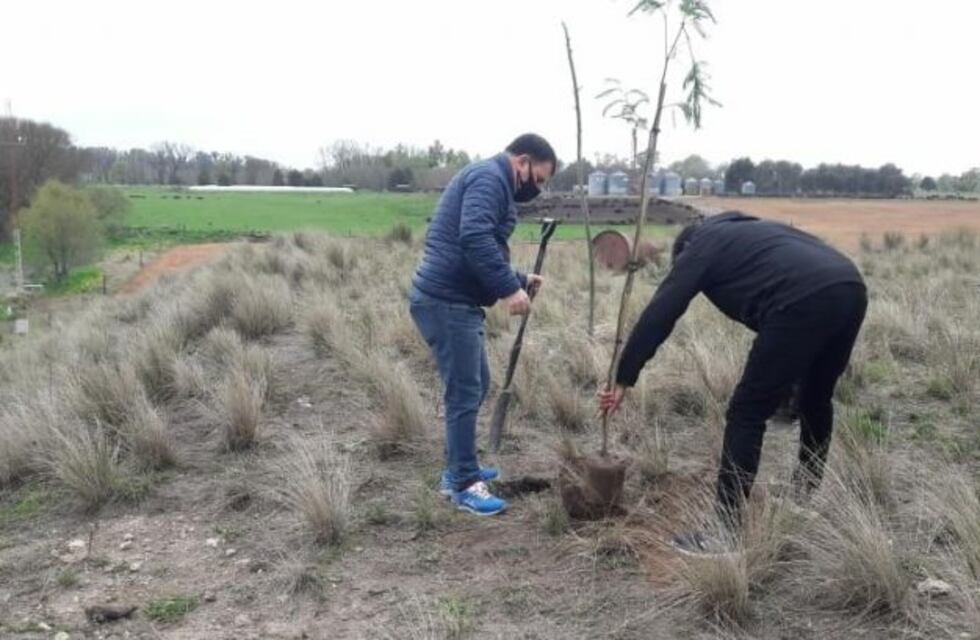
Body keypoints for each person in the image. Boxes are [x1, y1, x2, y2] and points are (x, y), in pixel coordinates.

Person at [599, 211, 867, 555]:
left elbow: (664, 308)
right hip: (850, 287)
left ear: (683, 251)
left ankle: (724, 534)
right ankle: (804, 494)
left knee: (746, 412)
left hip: (800, 299)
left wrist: (625, 375)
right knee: (817, 397)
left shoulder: (700, 245)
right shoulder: (749, 232)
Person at [409, 133, 556, 516]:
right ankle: (463, 483)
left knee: (475, 384)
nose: (537, 190)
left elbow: (473, 246)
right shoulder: (491, 178)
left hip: (454, 300)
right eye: (538, 179)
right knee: (465, 390)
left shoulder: (490, 179)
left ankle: (457, 465)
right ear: (521, 162)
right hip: (447, 303)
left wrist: (519, 277)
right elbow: (473, 237)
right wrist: (510, 290)